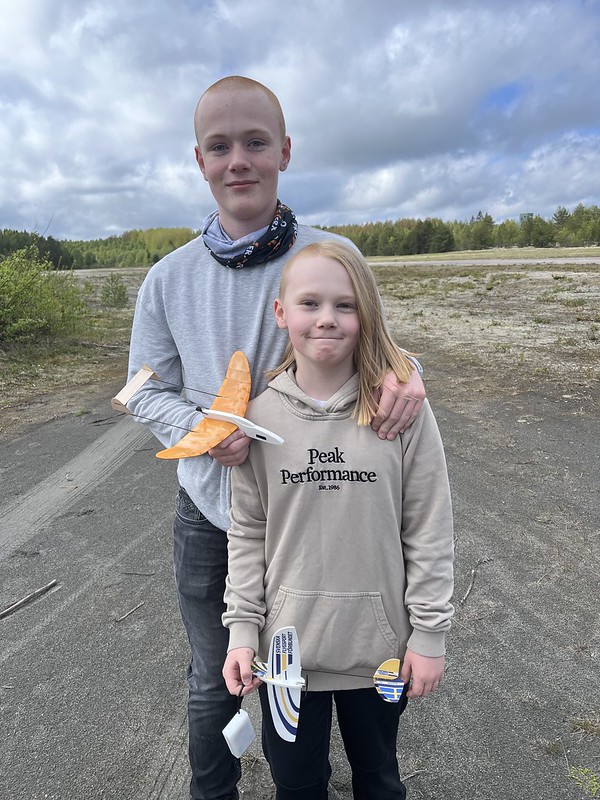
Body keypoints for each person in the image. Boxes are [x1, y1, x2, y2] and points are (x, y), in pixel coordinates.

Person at [126, 76, 426, 800]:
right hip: (212, 514)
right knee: (217, 679)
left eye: (255, 143)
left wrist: (412, 374)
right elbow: (142, 389)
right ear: (199, 159)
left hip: (316, 510)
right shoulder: (167, 280)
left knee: (322, 672)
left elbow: (377, 348)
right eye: (219, 146)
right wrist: (200, 429)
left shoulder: (334, 254)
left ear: (285, 151)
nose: (239, 160)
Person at [223, 241, 454, 799]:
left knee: (378, 779)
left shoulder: (400, 412)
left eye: (345, 305)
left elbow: (428, 525)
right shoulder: (255, 419)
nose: (327, 318)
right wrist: (242, 630)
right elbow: (248, 532)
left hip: (378, 656)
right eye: (310, 303)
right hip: (285, 659)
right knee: (297, 785)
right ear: (282, 314)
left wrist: (429, 634)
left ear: (365, 315)